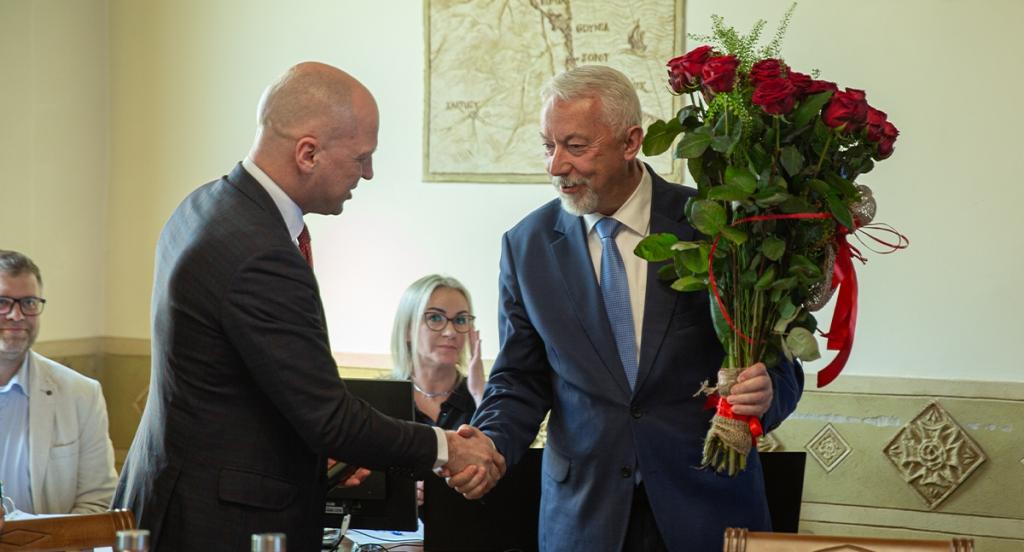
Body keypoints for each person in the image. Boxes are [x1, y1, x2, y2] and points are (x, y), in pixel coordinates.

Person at [111, 62, 504, 551]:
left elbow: (242, 392)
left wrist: (327, 461)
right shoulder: (260, 251)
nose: (368, 173)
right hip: (217, 525)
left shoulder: (205, 205)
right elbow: (329, 418)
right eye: (362, 157)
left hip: (176, 500)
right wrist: (447, 448)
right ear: (308, 153)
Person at [467, 66, 804, 551]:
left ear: (631, 142)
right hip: (585, 519)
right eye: (548, 146)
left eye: (575, 146)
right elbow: (520, 377)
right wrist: (489, 442)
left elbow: (780, 365)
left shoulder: (717, 227)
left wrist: (767, 392)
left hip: (709, 509)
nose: (556, 165)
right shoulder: (526, 246)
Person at [0, 250, 118, 515]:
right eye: (3, 302)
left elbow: (99, 502)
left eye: (29, 302)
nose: (17, 315)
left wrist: (41, 536)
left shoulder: (82, 394)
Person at [390, 274, 485, 505]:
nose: (450, 332)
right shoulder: (384, 398)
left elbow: (501, 470)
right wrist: (400, 490)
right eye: (435, 318)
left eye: (460, 320)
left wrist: (481, 394)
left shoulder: (482, 396)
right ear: (408, 329)